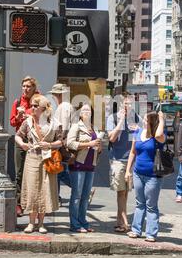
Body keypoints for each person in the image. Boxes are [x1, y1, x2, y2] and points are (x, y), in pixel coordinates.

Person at [15, 94, 62, 234]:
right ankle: (30, 223)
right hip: (32, 158)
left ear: (44, 108)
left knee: (44, 191)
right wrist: (22, 144)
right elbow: (18, 135)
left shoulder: (54, 123)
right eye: (32, 105)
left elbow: (61, 142)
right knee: (32, 191)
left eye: (36, 106)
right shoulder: (28, 122)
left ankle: (41, 223)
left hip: (47, 160)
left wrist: (49, 144)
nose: (32, 108)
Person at [125, 111, 165, 242]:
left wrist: (161, 119)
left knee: (151, 205)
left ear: (152, 122)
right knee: (139, 203)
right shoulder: (137, 133)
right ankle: (136, 230)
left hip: (153, 176)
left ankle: (151, 234)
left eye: (146, 120)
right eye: (144, 119)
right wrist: (128, 170)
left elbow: (159, 134)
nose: (144, 121)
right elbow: (132, 152)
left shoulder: (158, 136)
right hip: (138, 173)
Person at [107, 92, 140, 233]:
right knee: (121, 192)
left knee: (125, 192)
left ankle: (119, 221)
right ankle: (124, 222)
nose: (129, 106)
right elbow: (112, 138)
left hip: (131, 159)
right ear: (121, 104)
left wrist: (138, 129)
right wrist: (121, 121)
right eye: (126, 103)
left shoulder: (135, 118)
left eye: (131, 103)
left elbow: (138, 138)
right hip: (117, 159)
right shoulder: (112, 118)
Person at [67, 104, 101, 233]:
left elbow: (96, 145)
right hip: (78, 165)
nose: (86, 112)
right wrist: (89, 144)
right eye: (84, 110)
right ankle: (75, 224)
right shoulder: (76, 126)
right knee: (76, 196)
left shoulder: (94, 128)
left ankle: (83, 222)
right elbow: (69, 143)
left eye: (88, 110)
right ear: (80, 114)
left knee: (85, 196)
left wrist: (98, 147)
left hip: (90, 165)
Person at [10, 76, 39, 217]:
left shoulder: (38, 101)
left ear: (34, 88)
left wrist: (27, 114)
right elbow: (12, 123)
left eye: (28, 86)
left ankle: (33, 204)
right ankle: (19, 204)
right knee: (19, 173)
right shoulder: (17, 102)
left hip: (36, 141)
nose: (26, 89)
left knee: (35, 174)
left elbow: (43, 117)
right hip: (21, 141)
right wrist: (18, 117)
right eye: (24, 86)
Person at [50, 83, 75, 207]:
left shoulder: (63, 107)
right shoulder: (66, 106)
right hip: (64, 142)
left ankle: (76, 189)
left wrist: (60, 141)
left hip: (62, 143)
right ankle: (56, 197)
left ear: (59, 95)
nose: (53, 96)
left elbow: (63, 126)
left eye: (54, 94)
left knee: (59, 171)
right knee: (59, 170)